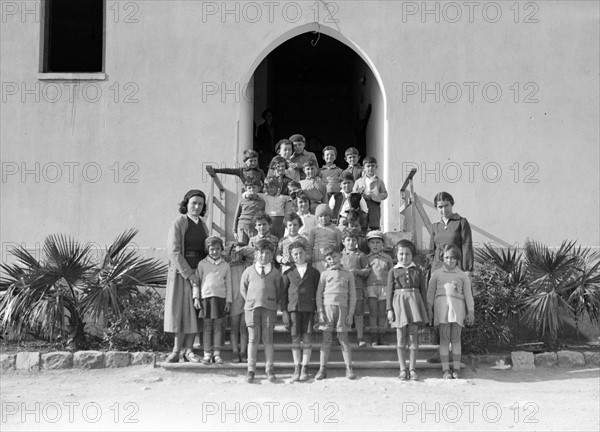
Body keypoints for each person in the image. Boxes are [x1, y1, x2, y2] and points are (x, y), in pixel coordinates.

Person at [164, 189, 209, 363]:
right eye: (194, 203)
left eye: (200, 204)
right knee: (182, 311)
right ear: (186, 204)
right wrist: (189, 274)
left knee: (195, 311)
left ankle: (189, 351)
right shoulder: (179, 222)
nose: (197, 207)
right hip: (183, 273)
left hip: (199, 272)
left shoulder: (203, 225)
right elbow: (174, 251)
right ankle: (176, 350)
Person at [427, 244, 474, 379]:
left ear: (457, 259)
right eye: (447, 257)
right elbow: (430, 294)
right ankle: (446, 369)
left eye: (453, 258)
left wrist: (471, 311)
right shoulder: (436, 274)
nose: (450, 261)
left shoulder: (463, 276)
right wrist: (429, 309)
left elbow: (468, 295)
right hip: (442, 309)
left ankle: (457, 368)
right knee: (444, 339)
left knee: (456, 339)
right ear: (442, 258)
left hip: (457, 310)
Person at [240, 240, 283, 383]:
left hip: (269, 308)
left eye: (267, 253)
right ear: (256, 254)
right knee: (253, 338)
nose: (264, 256)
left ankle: (269, 368)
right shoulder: (248, 271)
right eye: (261, 253)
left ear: (271, 255)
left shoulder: (276, 273)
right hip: (252, 308)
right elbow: (243, 288)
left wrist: (271, 302)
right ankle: (251, 369)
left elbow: (279, 290)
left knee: (268, 338)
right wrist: (250, 300)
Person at [386, 240, 429, 380]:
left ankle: (412, 368)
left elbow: (423, 290)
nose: (404, 257)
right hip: (399, 304)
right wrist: (389, 309)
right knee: (400, 338)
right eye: (401, 254)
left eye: (408, 254)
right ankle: (402, 369)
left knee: (413, 337)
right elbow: (389, 292)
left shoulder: (418, 270)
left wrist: (424, 310)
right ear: (396, 255)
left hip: (414, 303)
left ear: (413, 255)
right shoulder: (393, 271)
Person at [315, 245, 357, 380]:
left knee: (344, 339)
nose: (332, 260)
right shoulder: (324, 274)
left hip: (342, 309)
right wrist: (320, 312)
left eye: (334, 257)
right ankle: (322, 368)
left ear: (340, 256)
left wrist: (350, 314)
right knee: (326, 339)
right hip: (327, 310)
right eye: (329, 258)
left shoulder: (348, 274)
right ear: (325, 261)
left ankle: (349, 368)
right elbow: (318, 295)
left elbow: (353, 295)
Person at [281, 242, 321, 382]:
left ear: (306, 254)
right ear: (291, 256)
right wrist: (285, 312)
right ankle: (296, 367)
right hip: (293, 309)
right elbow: (283, 295)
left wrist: (318, 311)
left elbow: (318, 293)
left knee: (307, 337)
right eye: (295, 254)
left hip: (309, 309)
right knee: (295, 338)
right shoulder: (287, 273)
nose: (299, 256)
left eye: (301, 253)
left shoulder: (314, 272)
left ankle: (305, 367)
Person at [193, 236, 232, 365]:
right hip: (206, 300)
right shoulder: (202, 264)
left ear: (221, 250)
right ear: (207, 250)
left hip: (220, 299)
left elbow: (229, 284)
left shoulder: (225, 265)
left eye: (217, 249)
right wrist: (196, 297)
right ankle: (207, 354)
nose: (214, 252)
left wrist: (228, 301)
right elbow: (196, 282)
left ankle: (217, 354)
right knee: (207, 327)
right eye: (211, 249)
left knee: (218, 328)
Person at [429, 192, 474, 274]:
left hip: (456, 268)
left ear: (452, 204)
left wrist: (467, 270)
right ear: (436, 208)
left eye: (446, 205)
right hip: (437, 270)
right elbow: (431, 251)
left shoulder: (461, 222)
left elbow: (467, 248)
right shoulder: (435, 226)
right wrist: (432, 266)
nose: (444, 210)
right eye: (440, 207)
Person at [340, 228, 371, 347]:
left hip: (357, 288)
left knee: (358, 314)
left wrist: (358, 271)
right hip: (343, 289)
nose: (351, 243)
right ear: (343, 241)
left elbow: (367, 270)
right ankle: (344, 338)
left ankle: (360, 337)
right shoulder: (340, 256)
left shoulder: (361, 255)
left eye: (353, 240)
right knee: (344, 313)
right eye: (348, 240)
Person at [365, 230, 394, 346]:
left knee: (382, 312)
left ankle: (382, 335)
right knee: (373, 312)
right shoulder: (366, 258)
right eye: (372, 243)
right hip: (371, 287)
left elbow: (392, 273)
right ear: (368, 244)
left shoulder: (387, 258)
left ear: (382, 244)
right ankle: (374, 336)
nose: (375, 245)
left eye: (378, 242)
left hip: (385, 287)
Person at [353, 156, 388, 231]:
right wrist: (360, 194)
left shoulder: (379, 181)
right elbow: (354, 194)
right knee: (363, 223)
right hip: (362, 204)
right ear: (364, 168)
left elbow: (385, 194)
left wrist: (375, 196)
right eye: (368, 166)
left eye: (373, 166)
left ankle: (374, 239)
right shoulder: (358, 181)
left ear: (376, 167)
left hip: (374, 204)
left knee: (374, 224)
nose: (370, 168)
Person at [308, 204, 342, 272]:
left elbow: (339, 245)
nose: (323, 218)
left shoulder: (336, 230)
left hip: (332, 261)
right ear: (317, 217)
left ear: (330, 216)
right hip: (318, 260)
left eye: (326, 215)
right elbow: (310, 246)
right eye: (321, 216)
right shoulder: (314, 230)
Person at [232, 178, 265, 245]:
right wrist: (234, 231)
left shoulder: (262, 202)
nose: (251, 190)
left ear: (258, 188)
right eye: (249, 188)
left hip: (254, 228)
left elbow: (262, 217)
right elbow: (236, 216)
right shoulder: (242, 201)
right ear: (246, 189)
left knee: (254, 247)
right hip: (242, 227)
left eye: (254, 187)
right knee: (241, 247)